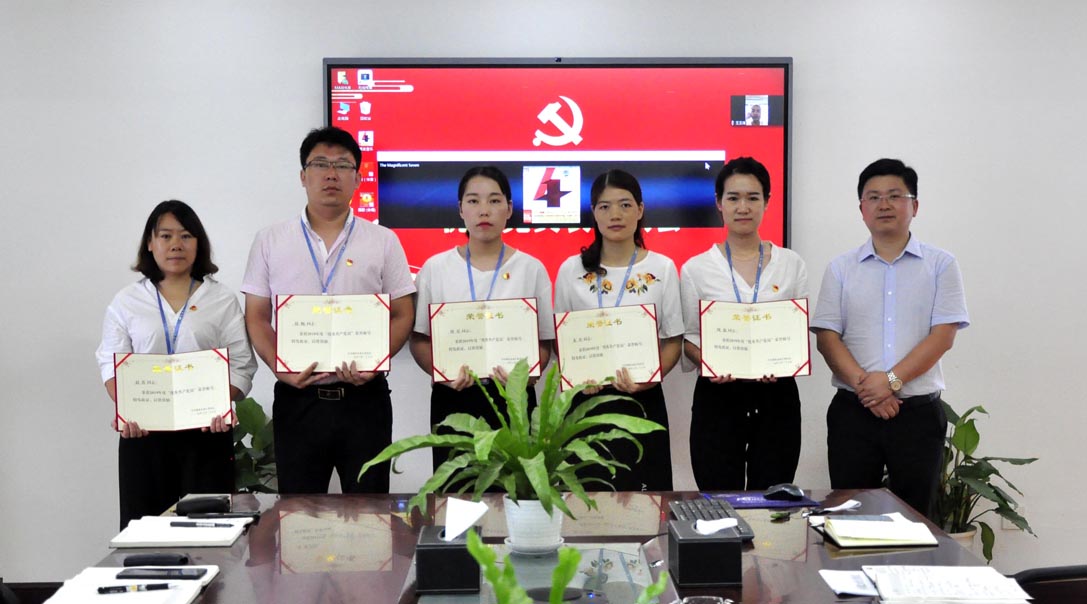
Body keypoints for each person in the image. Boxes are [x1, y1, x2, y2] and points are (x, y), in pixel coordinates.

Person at [241, 127, 415, 494]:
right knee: (298, 513)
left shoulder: (383, 240)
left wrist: (374, 362)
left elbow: (402, 312)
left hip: (364, 401)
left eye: (342, 165)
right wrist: (280, 368)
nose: (331, 174)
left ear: (358, 178)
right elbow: (256, 315)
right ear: (303, 176)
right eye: (320, 164)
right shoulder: (270, 240)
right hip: (298, 401)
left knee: (370, 512)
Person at [811, 158, 969, 519]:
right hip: (853, 414)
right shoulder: (840, 268)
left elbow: (943, 337)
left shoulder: (941, 265)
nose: (884, 204)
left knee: (917, 521)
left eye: (895, 196)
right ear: (862, 209)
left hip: (917, 416)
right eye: (874, 197)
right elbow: (827, 337)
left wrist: (891, 381)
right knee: (850, 518)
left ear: (915, 206)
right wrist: (868, 389)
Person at [97, 200, 257, 528]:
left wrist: (217, 403)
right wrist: (128, 408)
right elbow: (111, 364)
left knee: (209, 534)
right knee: (144, 534)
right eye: (166, 236)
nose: (176, 245)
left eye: (186, 236)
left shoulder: (221, 299)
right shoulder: (127, 301)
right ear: (150, 243)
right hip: (144, 435)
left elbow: (241, 362)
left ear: (199, 244)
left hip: (206, 434)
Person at [410, 166, 555, 470]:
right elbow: (420, 339)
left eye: (494, 200)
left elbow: (544, 343)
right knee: (454, 487)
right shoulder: (435, 268)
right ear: (460, 209)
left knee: (515, 489)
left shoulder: (531, 269)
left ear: (509, 209)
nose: (484, 210)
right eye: (473, 201)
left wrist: (526, 376)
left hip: (514, 401)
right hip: (455, 397)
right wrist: (443, 373)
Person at [680, 157, 808, 491]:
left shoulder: (791, 264)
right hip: (718, 397)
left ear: (767, 201)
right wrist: (710, 361)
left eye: (753, 197)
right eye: (733, 198)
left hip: (777, 396)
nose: (743, 207)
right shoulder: (696, 269)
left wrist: (782, 361)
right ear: (719, 203)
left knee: (774, 499)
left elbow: (796, 331)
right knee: (719, 500)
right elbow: (689, 338)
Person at [553, 169, 682, 491]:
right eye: (605, 206)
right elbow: (561, 338)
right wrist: (578, 375)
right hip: (586, 401)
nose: (615, 215)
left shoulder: (662, 268)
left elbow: (673, 339)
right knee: (588, 497)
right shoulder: (571, 269)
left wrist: (647, 379)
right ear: (593, 213)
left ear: (640, 210)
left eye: (625, 205)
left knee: (648, 501)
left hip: (642, 401)